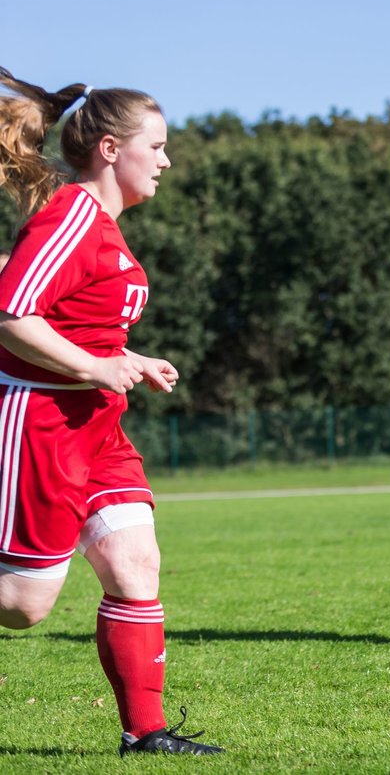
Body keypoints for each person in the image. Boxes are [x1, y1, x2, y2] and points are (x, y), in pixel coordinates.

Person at [0, 68, 223, 755]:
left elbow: (78, 324)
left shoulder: (102, 225)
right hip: (41, 425)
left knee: (135, 564)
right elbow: (11, 314)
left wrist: (129, 360)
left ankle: (145, 734)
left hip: (97, 429)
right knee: (23, 606)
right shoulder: (70, 216)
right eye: (154, 147)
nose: (165, 161)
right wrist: (99, 365)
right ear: (108, 149)